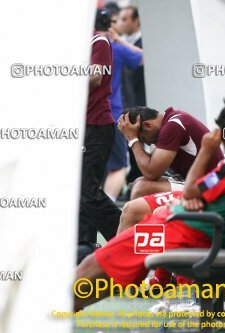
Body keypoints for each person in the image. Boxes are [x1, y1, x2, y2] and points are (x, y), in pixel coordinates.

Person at [75, 103, 225, 311]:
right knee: (104, 267)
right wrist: (183, 202)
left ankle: (56, 308)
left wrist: (205, 152)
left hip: (190, 232)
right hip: (194, 228)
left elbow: (189, 189)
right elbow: (202, 194)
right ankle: (146, 279)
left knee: (96, 266)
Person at [77, 9, 122, 260]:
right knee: (79, 190)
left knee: (87, 189)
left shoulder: (99, 41)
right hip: (81, 128)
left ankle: (126, 239)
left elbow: (95, 77)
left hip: (97, 125)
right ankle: (84, 245)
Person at [117, 106, 224, 200]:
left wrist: (132, 139)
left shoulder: (173, 126)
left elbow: (151, 173)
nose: (148, 144)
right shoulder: (170, 122)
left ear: (147, 125)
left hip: (212, 183)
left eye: (143, 139)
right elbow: (151, 167)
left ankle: (142, 222)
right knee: (138, 182)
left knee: (142, 189)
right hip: (203, 182)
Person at [102, 5, 143, 202]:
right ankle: (107, 207)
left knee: (95, 165)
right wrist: (118, 41)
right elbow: (144, 58)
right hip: (112, 113)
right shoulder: (116, 48)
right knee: (118, 166)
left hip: (87, 116)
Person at [119, 5, 146, 195]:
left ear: (136, 20)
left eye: (125, 19)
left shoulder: (143, 42)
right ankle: (132, 180)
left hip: (140, 99)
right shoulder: (123, 43)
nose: (121, 23)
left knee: (139, 140)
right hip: (128, 100)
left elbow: (142, 57)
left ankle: (136, 180)